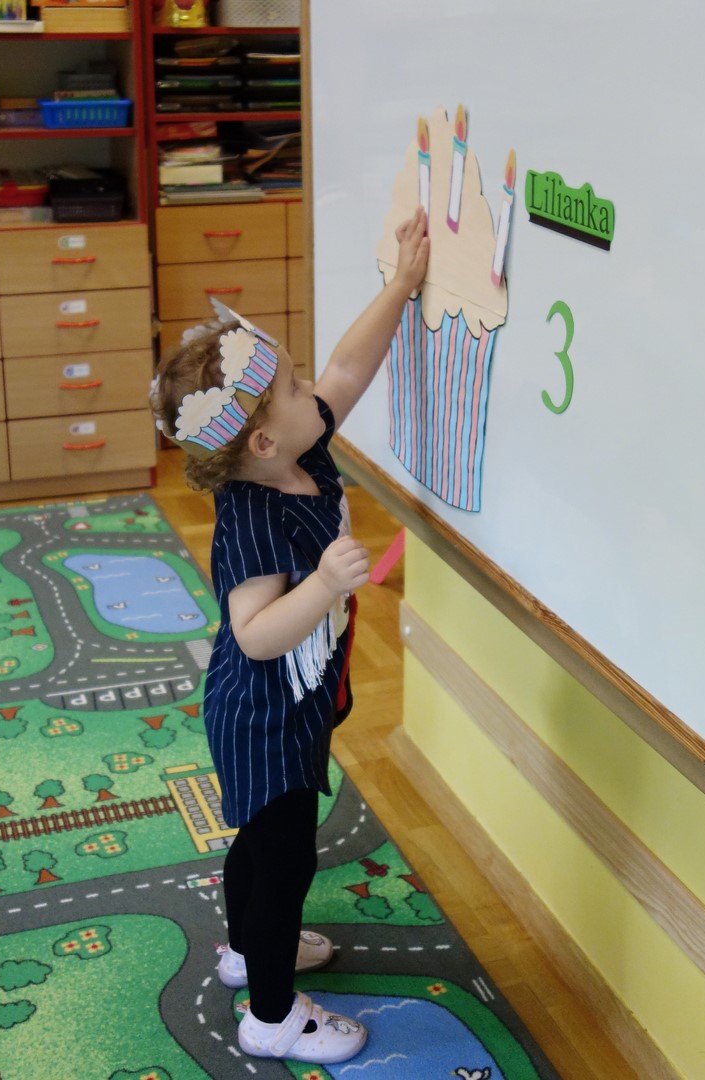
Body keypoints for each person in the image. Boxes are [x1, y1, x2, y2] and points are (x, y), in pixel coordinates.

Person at [149, 206, 429, 1065]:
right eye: (295, 386)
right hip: (262, 718)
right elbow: (256, 634)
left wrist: (402, 285)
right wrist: (325, 585)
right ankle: (270, 1014)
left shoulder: (296, 450)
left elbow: (349, 365)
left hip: (294, 706)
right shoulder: (254, 518)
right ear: (265, 438)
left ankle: (246, 951)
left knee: (266, 850)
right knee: (281, 862)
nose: (316, 387)